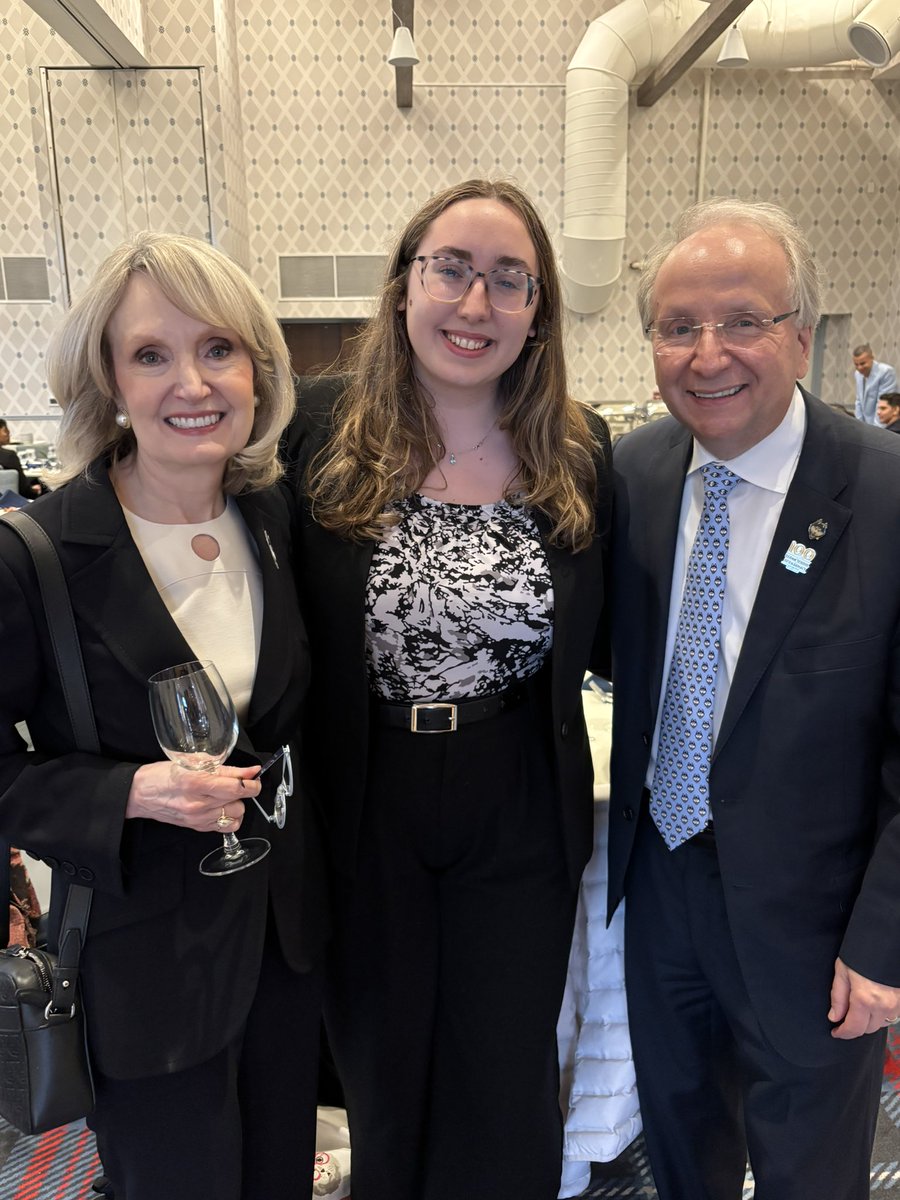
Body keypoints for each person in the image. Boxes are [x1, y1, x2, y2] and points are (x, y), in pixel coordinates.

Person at [284, 178, 611, 1200]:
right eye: (452, 270)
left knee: (505, 1069)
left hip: (514, 785)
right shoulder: (320, 427)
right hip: (366, 787)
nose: (477, 305)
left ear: (539, 312)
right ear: (401, 285)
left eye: (509, 281)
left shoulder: (579, 447)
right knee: (384, 1066)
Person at [0, 232, 327, 1200]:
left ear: (257, 372)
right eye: (152, 354)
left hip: (281, 950)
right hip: (145, 967)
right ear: (108, 379)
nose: (192, 381)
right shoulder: (38, 555)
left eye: (218, 349)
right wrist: (125, 791)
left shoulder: (274, 519)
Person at [603, 196, 900, 1200]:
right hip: (663, 894)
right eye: (677, 328)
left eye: (742, 322)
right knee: (681, 1148)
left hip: (820, 922)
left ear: (804, 338)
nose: (706, 354)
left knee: (811, 1174)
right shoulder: (631, 475)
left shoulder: (888, 496)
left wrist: (884, 944)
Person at [853, 342, 897, 425]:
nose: (859, 368)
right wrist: (859, 426)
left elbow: (883, 405)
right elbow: (858, 402)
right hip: (866, 427)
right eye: (856, 364)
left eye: (863, 363)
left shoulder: (886, 372)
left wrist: (874, 431)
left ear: (872, 358)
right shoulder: (857, 374)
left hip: (884, 426)